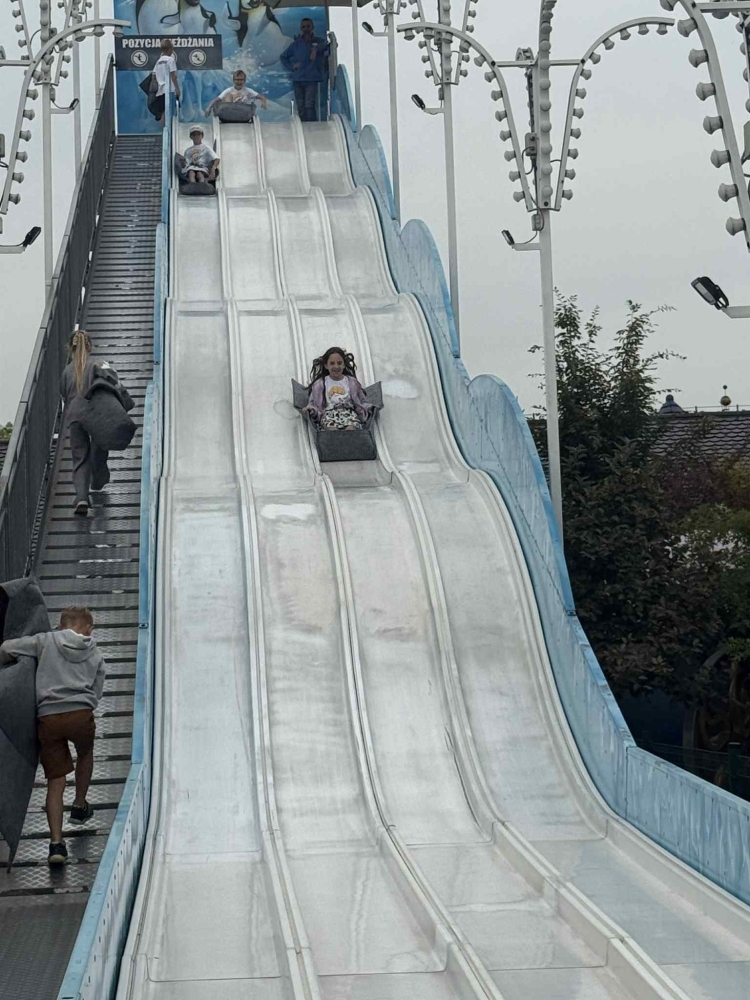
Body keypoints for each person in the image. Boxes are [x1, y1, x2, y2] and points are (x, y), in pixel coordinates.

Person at [0, 606, 105, 866]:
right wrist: (86, 702)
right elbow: (98, 687)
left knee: (55, 782)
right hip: (80, 714)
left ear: (60, 625)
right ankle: (79, 805)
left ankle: (56, 844)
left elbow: (7, 647)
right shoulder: (94, 652)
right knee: (85, 754)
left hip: (49, 717)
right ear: (89, 629)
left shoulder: (45, 640)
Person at [61, 330, 132, 517]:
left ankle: (82, 497)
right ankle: (99, 479)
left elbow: (64, 394)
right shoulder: (98, 363)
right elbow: (114, 380)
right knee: (100, 446)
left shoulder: (66, 371)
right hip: (96, 414)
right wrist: (124, 401)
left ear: (70, 348)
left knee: (80, 457)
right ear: (90, 347)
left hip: (74, 417)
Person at [304, 347, 374, 431]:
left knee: (351, 429)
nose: (336, 366)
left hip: (349, 414)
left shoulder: (352, 382)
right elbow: (314, 402)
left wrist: (369, 408)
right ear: (326, 365)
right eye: (332, 363)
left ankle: (352, 435)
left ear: (344, 364)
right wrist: (310, 409)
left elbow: (362, 400)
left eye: (339, 363)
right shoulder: (320, 384)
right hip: (329, 415)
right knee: (332, 429)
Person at [281, 17, 329, 123]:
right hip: (298, 79)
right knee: (301, 107)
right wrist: (292, 66)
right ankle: (304, 128)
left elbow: (328, 45)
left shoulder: (318, 42)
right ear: (301, 28)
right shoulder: (296, 44)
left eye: (308, 26)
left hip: (311, 79)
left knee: (309, 105)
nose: (306, 29)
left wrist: (317, 49)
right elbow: (283, 57)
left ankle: (313, 128)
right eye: (303, 27)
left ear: (312, 27)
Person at [151, 38, 180, 124]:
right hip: (170, 90)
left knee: (163, 111)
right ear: (169, 49)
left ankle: (164, 129)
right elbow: (173, 76)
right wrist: (177, 89)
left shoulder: (158, 61)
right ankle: (170, 127)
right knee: (171, 111)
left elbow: (153, 76)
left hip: (160, 90)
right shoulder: (170, 60)